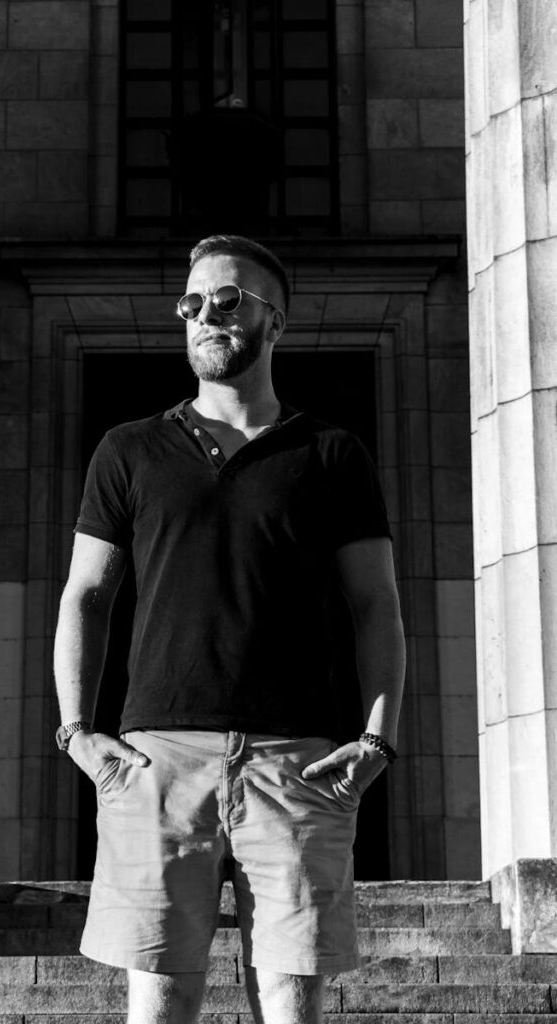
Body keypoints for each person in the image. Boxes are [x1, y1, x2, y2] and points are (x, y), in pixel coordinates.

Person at [53, 235, 406, 1024]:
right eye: (191, 303)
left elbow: (375, 605)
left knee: (288, 1003)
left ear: (274, 322)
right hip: (157, 761)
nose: (204, 315)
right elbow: (85, 595)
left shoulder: (330, 453)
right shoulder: (129, 449)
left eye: (227, 300)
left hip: (295, 762)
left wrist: (377, 739)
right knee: (159, 1004)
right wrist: (76, 732)